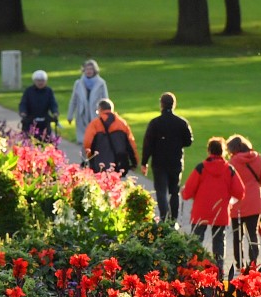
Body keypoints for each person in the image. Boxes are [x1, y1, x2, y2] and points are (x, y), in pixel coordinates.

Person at [181, 137, 245, 268]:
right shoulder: (229, 169)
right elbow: (240, 192)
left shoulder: (201, 168)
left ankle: (194, 268)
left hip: (201, 210)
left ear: (209, 151)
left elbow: (187, 192)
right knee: (219, 243)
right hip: (220, 211)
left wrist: (187, 194)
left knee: (196, 242)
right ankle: (219, 270)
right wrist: (230, 200)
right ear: (223, 151)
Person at [140, 92, 194, 222]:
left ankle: (164, 216)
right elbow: (188, 141)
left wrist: (144, 162)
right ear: (174, 104)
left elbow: (148, 144)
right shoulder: (181, 123)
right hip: (175, 160)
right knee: (174, 191)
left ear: (161, 105)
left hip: (159, 162)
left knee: (161, 190)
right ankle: (173, 218)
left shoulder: (155, 123)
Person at [227, 135, 261, 270]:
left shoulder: (233, 162)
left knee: (237, 235)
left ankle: (239, 263)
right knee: (253, 233)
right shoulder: (258, 157)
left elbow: (229, 182)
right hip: (256, 201)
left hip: (237, 202)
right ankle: (253, 262)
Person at [82, 98, 138, 174]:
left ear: (100, 109)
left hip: (99, 162)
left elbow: (87, 143)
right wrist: (135, 162)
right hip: (118, 163)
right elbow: (131, 143)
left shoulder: (94, 124)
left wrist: (89, 158)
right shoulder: (122, 123)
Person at [67, 59, 109, 146]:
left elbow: (106, 100)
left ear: (95, 70)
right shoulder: (78, 83)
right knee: (83, 141)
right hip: (82, 114)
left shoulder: (101, 83)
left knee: (96, 140)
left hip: (96, 113)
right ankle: (84, 156)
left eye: (91, 69)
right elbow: (73, 100)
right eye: (87, 69)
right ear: (84, 70)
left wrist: (107, 115)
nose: (89, 71)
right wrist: (70, 115)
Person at [18, 70, 58, 140]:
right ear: (34, 81)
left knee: (47, 139)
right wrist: (23, 112)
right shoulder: (29, 91)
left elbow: (53, 103)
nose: (40, 83)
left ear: (46, 81)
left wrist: (55, 112)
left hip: (44, 119)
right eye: (38, 81)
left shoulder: (49, 91)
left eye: (42, 81)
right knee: (29, 138)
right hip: (31, 119)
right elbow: (23, 103)